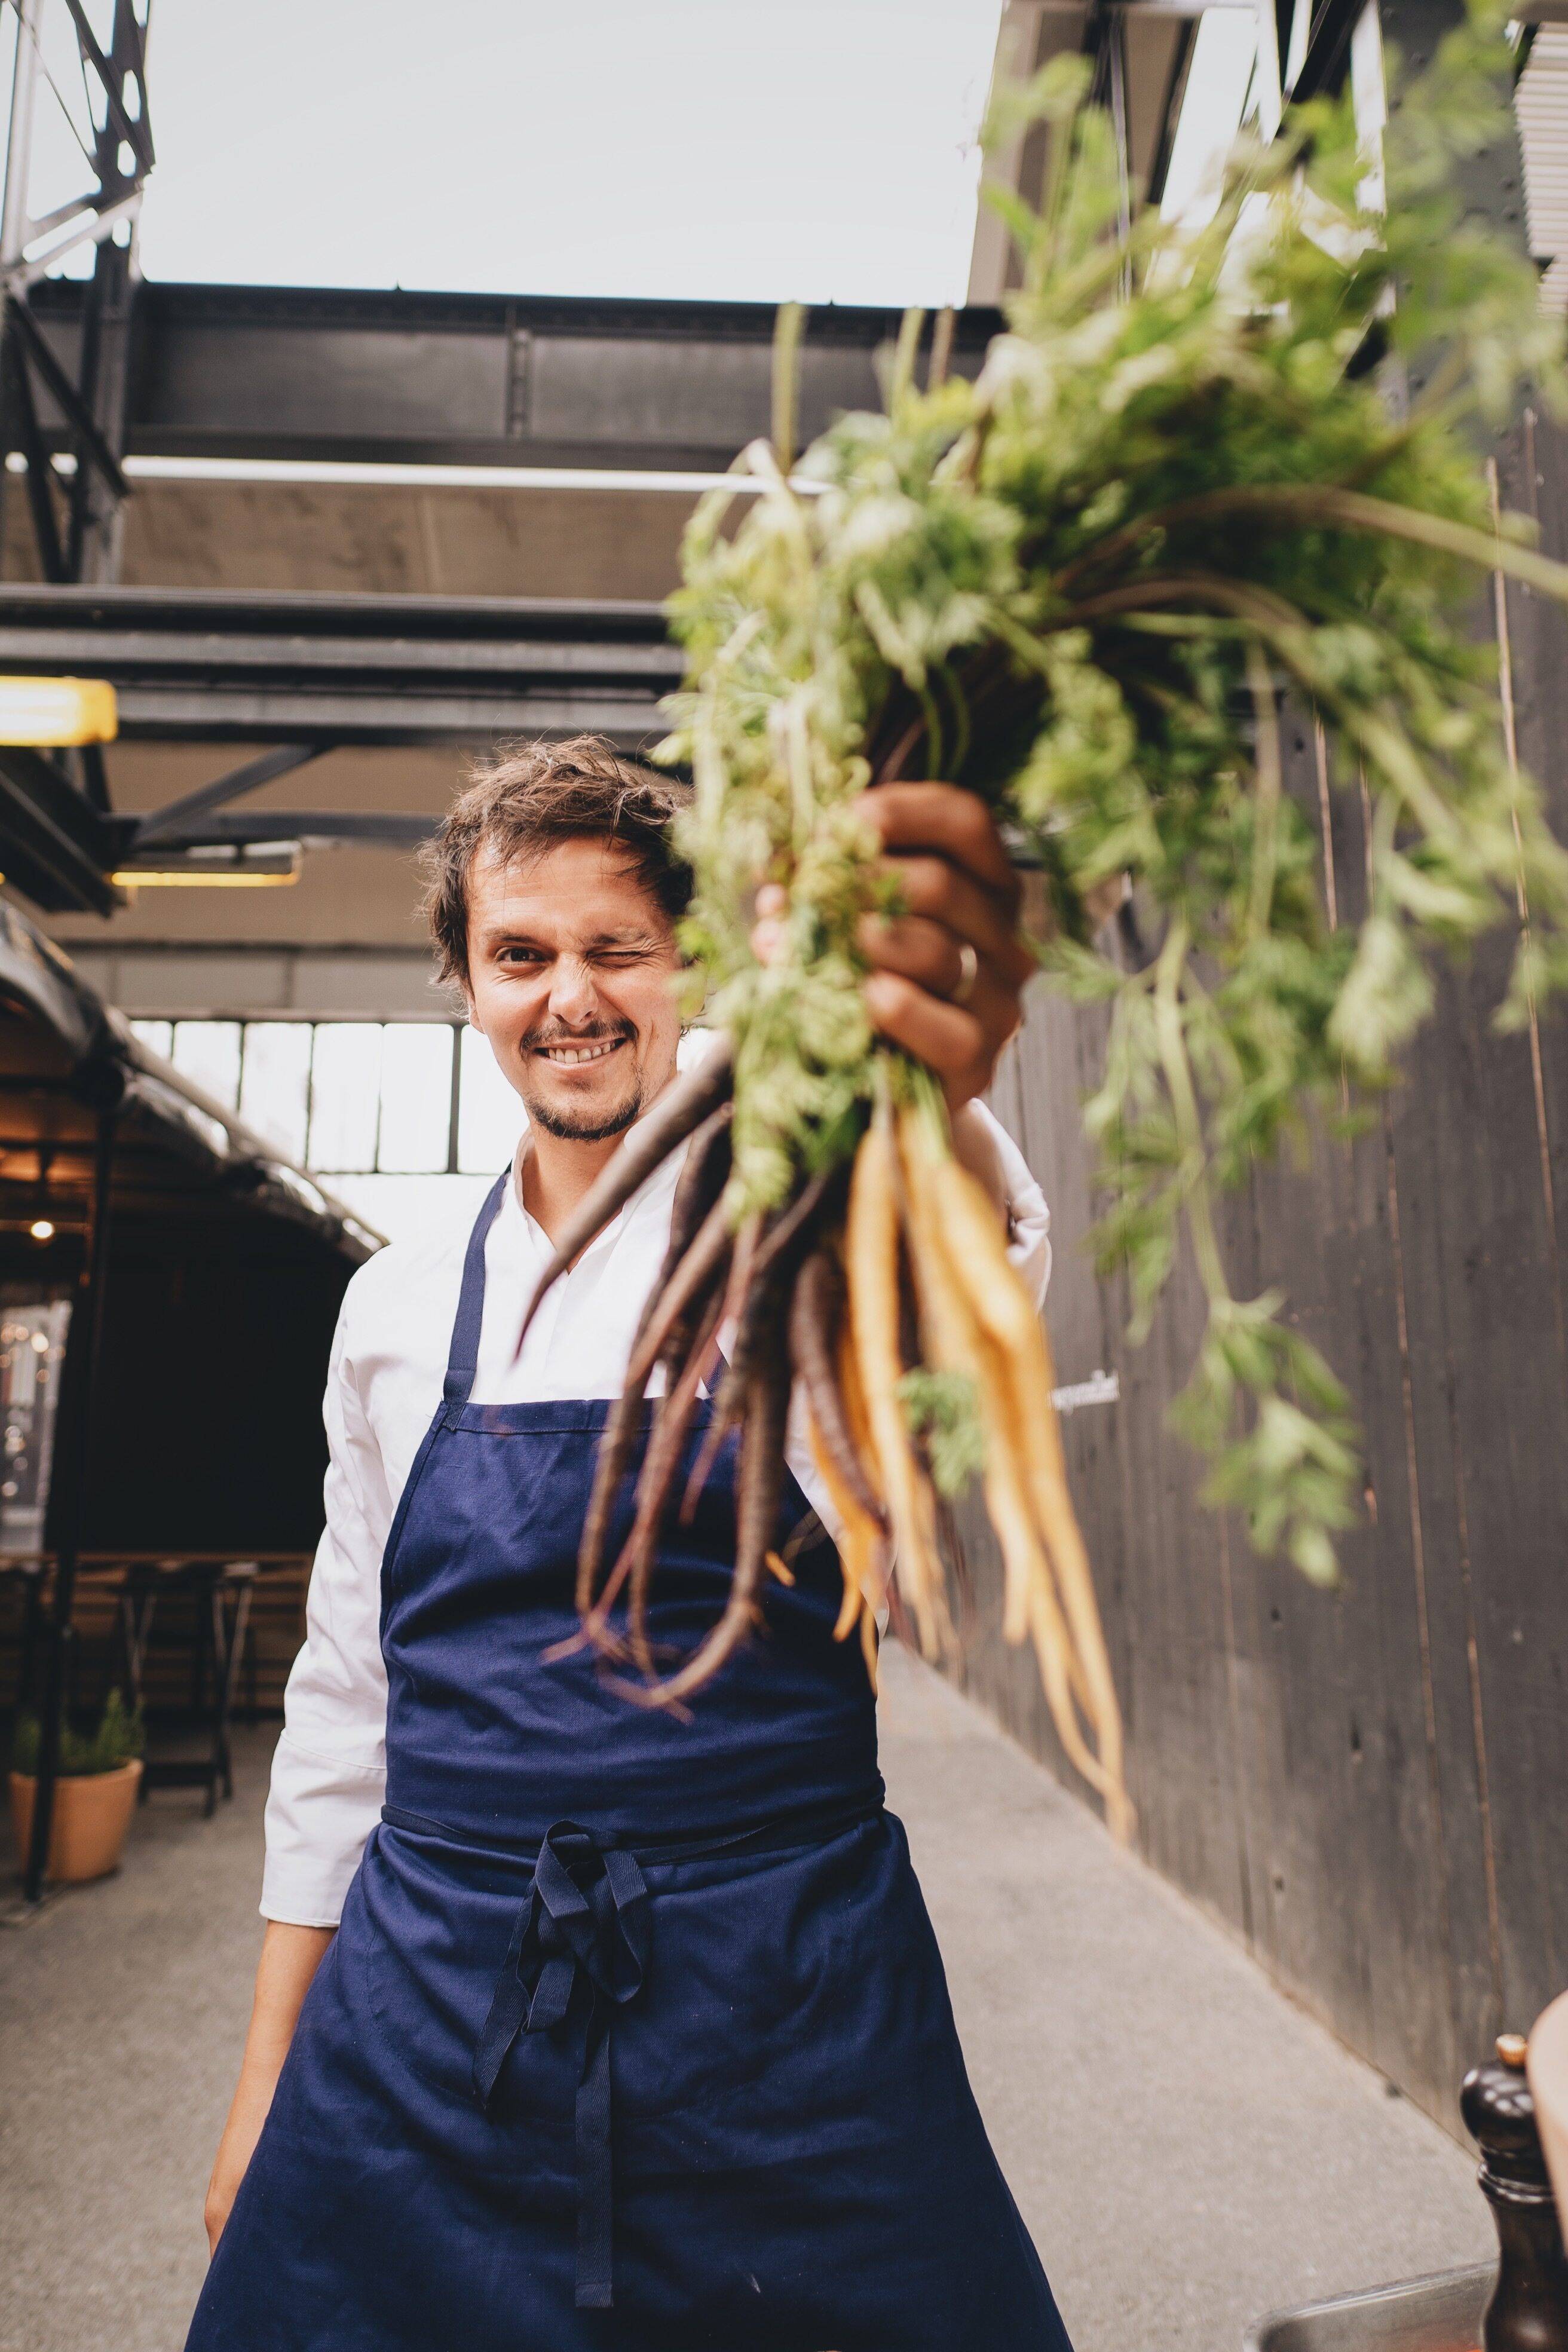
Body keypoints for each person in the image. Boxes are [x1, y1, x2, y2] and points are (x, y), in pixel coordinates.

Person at [188, 735, 1074, 2352]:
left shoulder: (796, 1218)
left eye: (618, 949)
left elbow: (967, 1269)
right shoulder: (396, 1307)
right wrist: (264, 2085)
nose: (570, 998)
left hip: (784, 1998)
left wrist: (913, 1064)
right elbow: (343, 1711)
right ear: (463, 979)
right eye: (521, 955)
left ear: (687, 968)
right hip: (440, 1999)